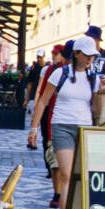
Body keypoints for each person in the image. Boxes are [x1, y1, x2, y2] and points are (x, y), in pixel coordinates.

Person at [27, 36, 104, 209]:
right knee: (67, 173)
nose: (89, 59)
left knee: (84, 174)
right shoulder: (60, 74)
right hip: (61, 125)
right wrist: (34, 128)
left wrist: (102, 91)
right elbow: (43, 101)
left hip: (85, 128)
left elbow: (96, 109)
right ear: (76, 54)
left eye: (92, 56)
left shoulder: (93, 78)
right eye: (86, 55)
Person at [29, 43, 67, 195]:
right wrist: (34, 122)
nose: (54, 56)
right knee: (48, 144)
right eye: (53, 53)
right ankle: (53, 180)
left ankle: (60, 192)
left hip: (64, 119)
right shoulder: (49, 70)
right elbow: (39, 89)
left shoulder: (74, 72)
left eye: (57, 53)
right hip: (49, 113)